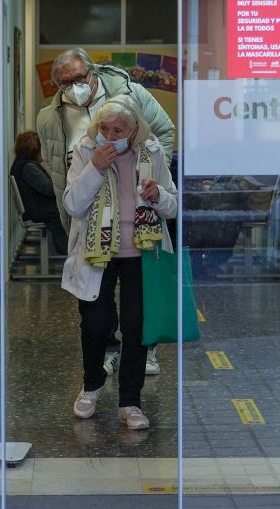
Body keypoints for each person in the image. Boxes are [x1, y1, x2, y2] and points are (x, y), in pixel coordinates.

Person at [37, 48, 175, 376]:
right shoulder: (49, 117)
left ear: (93, 73)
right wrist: (68, 210)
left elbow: (165, 132)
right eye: (65, 83)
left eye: (80, 78)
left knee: (139, 297)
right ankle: (110, 351)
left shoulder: (131, 94)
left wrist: (153, 174)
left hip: (135, 213)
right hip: (89, 213)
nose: (74, 87)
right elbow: (55, 169)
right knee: (97, 296)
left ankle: (145, 351)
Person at [61, 96, 177, 430]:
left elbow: (173, 205)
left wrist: (159, 197)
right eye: (104, 128)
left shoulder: (151, 153)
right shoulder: (85, 151)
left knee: (138, 328)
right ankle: (92, 385)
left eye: (119, 130)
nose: (110, 136)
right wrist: (95, 168)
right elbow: (72, 204)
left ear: (134, 130)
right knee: (95, 325)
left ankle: (130, 402)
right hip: (97, 253)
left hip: (141, 253)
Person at [10, 131, 68, 255]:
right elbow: (49, 190)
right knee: (67, 211)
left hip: (35, 208)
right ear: (35, 150)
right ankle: (68, 250)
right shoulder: (29, 167)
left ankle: (68, 249)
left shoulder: (22, 164)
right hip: (40, 210)